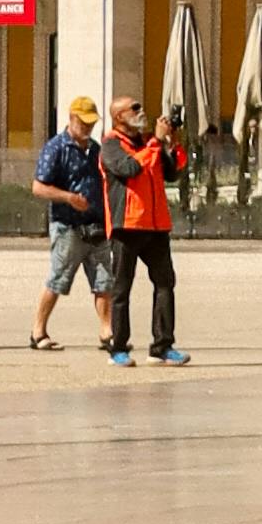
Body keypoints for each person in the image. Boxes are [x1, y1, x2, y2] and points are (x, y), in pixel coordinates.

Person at [102, 98, 183, 368]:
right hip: (127, 224)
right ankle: (118, 348)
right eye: (134, 109)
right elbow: (129, 169)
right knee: (122, 287)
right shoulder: (111, 145)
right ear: (118, 117)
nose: (141, 112)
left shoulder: (148, 142)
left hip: (156, 224)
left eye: (141, 107)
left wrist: (170, 143)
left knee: (165, 282)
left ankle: (162, 346)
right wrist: (155, 143)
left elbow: (172, 173)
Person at [30, 95, 111, 355]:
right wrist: (69, 198)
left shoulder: (95, 149)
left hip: (96, 225)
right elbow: (38, 187)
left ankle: (107, 331)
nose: (88, 127)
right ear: (72, 118)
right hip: (67, 226)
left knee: (104, 280)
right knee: (58, 278)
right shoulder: (56, 148)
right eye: (84, 122)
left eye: (91, 123)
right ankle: (38, 331)